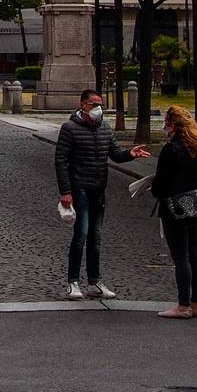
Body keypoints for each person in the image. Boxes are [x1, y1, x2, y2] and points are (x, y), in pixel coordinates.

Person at [55, 89, 150, 300]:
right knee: (81, 234)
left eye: (100, 104)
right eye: (93, 104)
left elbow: (114, 153)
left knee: (96, 237)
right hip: (79, 187)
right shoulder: (69, 128)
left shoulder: (105, 128)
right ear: (83, 105)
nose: (98, 108)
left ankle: (94, 281)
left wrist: (129, 154)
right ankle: (73, 282)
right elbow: (60, 161)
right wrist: (66, 191)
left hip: (99, 188)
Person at [150, 104, 197, 318]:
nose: (164, 125)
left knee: (181, 258)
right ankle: (196, 304)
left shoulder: (171, 150)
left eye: (166, 121)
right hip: (194, 204)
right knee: (196, 255)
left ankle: (182, 305)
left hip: (174, 207)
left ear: (174, 125)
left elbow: (160, 184)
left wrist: (154, 187)